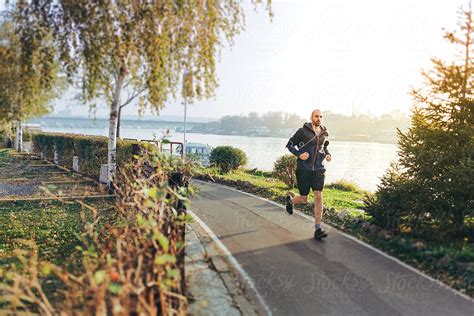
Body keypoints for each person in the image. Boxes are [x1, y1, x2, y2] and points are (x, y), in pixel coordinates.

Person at [285, 109, 331, 240]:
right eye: (316, 116)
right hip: (304, 169)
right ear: (311, 117)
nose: (319, 118)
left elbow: (324, 147)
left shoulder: (324, 133)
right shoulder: (302, 131)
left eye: (321, 116)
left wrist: (328, 154)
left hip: (318, 169)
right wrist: (299, 154)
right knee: (304, 199)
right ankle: (291, 201)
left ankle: (318, 228)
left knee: (318, 196)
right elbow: (290, 145)